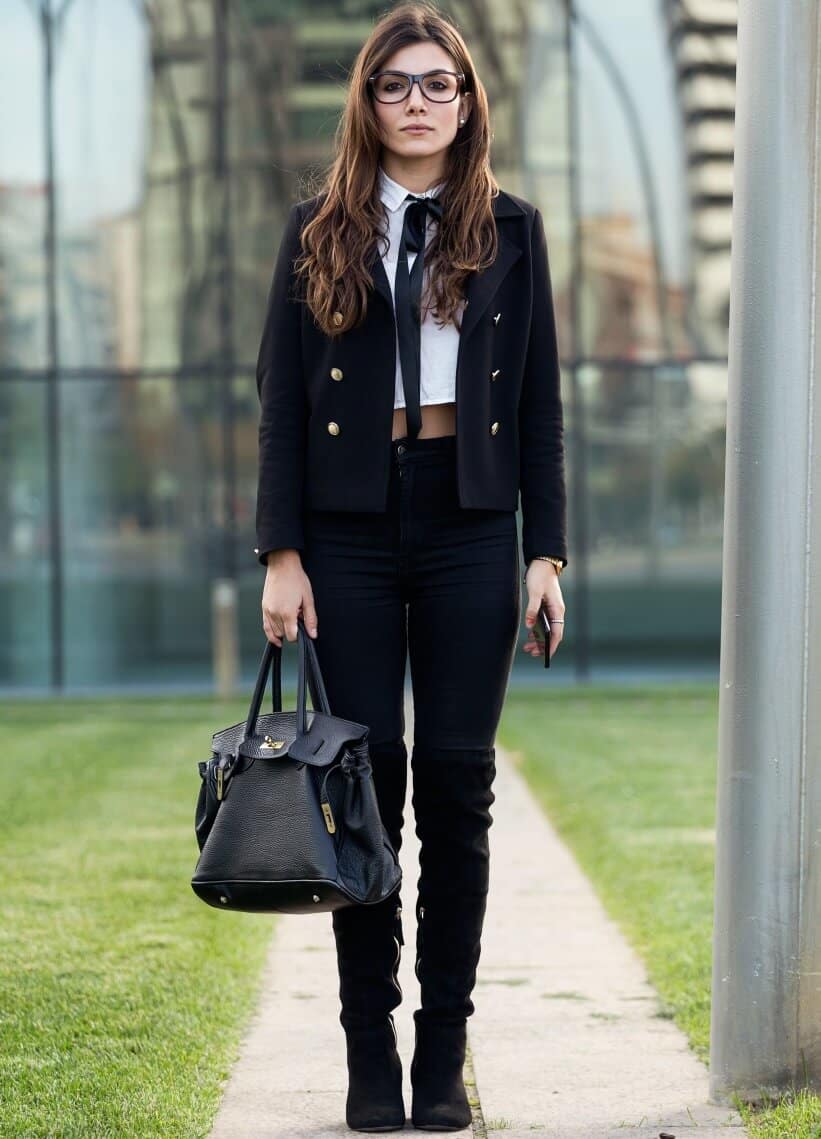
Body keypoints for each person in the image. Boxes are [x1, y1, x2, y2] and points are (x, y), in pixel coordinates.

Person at [254, 1, 568, 1130]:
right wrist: (280, 552)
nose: (419, 102)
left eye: (439, 83)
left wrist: (546, 551)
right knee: (363, 785)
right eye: (396, 84)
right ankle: (367, 1059)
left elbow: (540, 408)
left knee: (456, 787)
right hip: (341, 529)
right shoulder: (315, 231)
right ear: (367, 102)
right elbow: (281, 405)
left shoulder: (514, 231)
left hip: (469, 525)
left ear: (468, 99)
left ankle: (440, 1054)